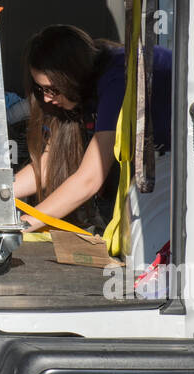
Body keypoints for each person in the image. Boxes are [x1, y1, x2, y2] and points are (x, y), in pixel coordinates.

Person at [11, 25, 172, 259]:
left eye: (51, 89)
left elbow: (89, 179)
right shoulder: (86, 77)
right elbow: (48, 163)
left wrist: (18, 226)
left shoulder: (116, 78)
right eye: (40, 89)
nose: (45, 98)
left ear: (71, 77)